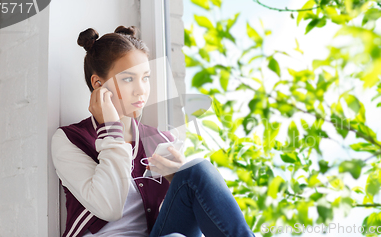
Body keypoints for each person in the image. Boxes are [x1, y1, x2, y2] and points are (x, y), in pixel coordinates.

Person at [50, 25, 255, 237]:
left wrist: (176, 180)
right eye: (128, 79)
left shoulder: (160, 140)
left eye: (145, 77)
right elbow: (109, 207)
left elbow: (172, 215)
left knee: (196, 170)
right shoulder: (70, 139)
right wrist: (111, 129)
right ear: (98, 83)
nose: (141, 89)